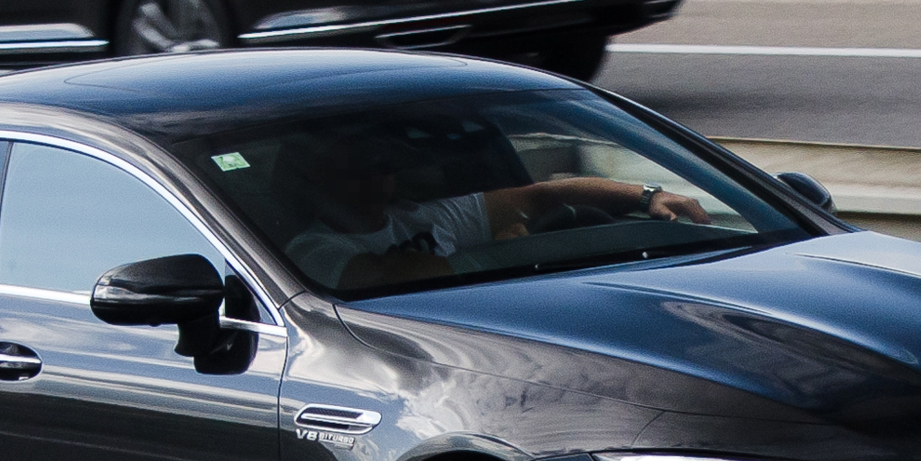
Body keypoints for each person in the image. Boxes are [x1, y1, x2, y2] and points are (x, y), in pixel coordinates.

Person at [280, 130, 710, 290]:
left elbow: (539, 196)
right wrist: (504, 251)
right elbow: (402, 274)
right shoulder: (315, 250)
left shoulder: (423, 215)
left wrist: (646, 196)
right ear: (325, 180)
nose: (377, 175)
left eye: (384, 164)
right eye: (358, 169)